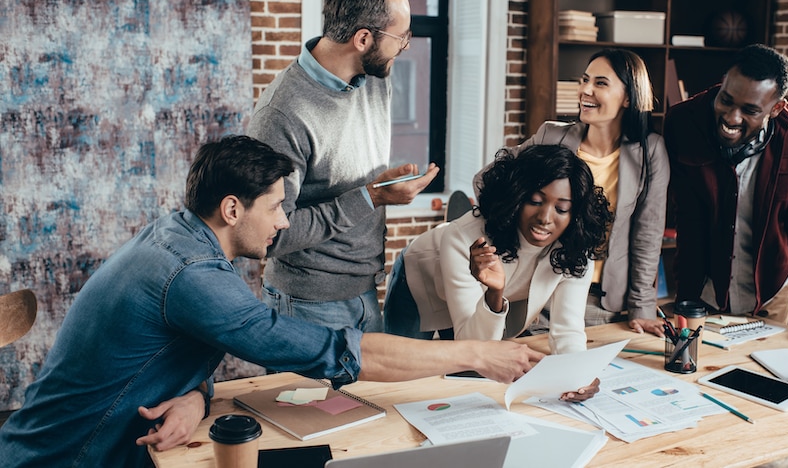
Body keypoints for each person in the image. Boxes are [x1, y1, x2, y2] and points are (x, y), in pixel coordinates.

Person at [0, 136, 542, 467]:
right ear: (233, 209)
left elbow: (164, 347)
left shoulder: (178, 237)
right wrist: (478, 356)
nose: (285, 222)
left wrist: (194, 393)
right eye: (278, 207)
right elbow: (342, 353)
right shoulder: (193, 275)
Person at [247, 0, 439, 333]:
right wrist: (370, 198)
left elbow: (356, 183)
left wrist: (378, 190)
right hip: (307, 306)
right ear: (364, 38)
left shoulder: (373, 81)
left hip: (366, 293)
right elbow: (269, 235)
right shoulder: (282, 114)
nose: (405, 46)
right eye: (401, 37)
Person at [664, 43, 788, 353]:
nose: (731, 117)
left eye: (750, 110)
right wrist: (687, 298)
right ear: (723, 82)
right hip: (706, 289)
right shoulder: (684, 121)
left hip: (772, 289)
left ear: (776, 108)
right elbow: (688, 218)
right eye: (726, 100)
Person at [384, 145, 612, 399]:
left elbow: (567, 330)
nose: (545, 218)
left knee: (464, 381)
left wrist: (577, 375)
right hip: (420, 281)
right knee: (402, 375)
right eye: (535, 201)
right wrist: (494, 292)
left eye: (561, 209)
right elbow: (471, 347)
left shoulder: (575, 247)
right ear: (517, 196)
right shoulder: (463, 237)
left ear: (576, 213)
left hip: (475, 302)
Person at [477, 49, 669, 337]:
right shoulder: (552, 136)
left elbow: (648, 235)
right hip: (541, 295)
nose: (585, 90)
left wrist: (642, 306)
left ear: (628, 97)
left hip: (601, 303)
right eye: (585, 80)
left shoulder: (649, 151)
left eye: (601, 83)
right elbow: (486, 181)